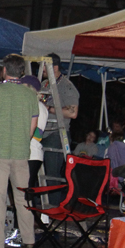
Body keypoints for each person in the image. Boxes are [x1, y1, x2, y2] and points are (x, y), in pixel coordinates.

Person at [0, 54, 39, 248]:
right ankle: (29, 239)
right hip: (21, 152)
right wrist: (24, 140)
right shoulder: (30, 94)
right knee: (22, 198)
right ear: (22, 71)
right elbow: (33, 124)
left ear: (4, 70)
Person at [40, 53, 80, 205]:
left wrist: (49, 109)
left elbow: (73, 112)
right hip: (41, 132)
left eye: (44, 65)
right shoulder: (44, 84)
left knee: (52, 174)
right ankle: (41, 206)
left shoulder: (67, 87)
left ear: (54, 67)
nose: (42, 69)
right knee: (38, 172)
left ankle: (54, 208)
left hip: (57, 133)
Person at [20, 75, 48, 208]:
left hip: (32, 154)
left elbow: (37, 133)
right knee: (20, 190)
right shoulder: (27, 105)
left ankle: (25, 224)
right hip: (23, 152)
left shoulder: (39, 107)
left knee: (26, 190)